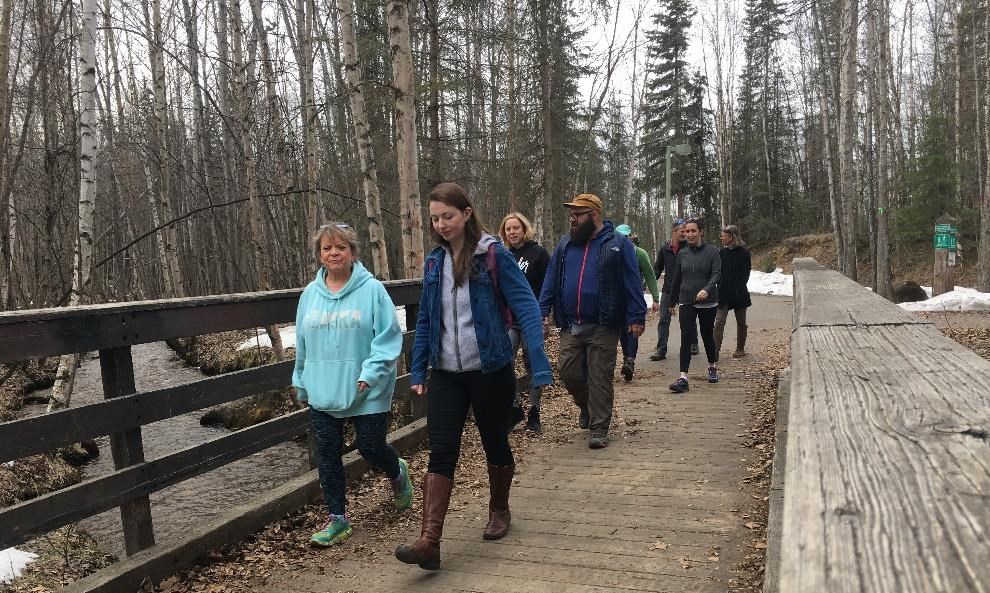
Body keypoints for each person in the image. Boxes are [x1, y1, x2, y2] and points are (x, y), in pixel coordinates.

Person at [395, 183, 552, 571]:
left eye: (447, 216)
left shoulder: (493, 256)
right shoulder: (434, 262)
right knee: (442, 450)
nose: (440, 224)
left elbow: (527, 308)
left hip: (490, 370)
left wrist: (538, 361)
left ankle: (500, 509)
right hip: (446, 373)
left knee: (494, 442)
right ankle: (430, 541)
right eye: (434, 218)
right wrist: (418, 368)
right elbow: (427, 319)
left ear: (466, 214)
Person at [292, 222, 411, 547]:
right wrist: (300, 381)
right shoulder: (309, 296)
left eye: (340, 247)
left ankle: (397, 472)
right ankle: (338, 519)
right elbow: (302, 343)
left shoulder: (372, 291)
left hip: (365, 388)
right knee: (328, 455)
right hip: (323, 389)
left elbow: (388, 338)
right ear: (320, 254)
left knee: (370, 447)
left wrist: (371, 373)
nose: (334, 253)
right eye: (327, 248)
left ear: (352, 252)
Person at [539, 193, 647, 449]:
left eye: (577, 215)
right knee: (568, 371)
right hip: (571, 322)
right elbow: (552, 277)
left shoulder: (619, 244)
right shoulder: (566, 244)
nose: (572, 219)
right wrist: (543, 307)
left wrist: (636, 316)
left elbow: (632, 281)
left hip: (604, 322)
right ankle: (587, 406)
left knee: (599, 375)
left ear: (594, 215)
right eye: (571, 215)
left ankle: (599, 427)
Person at [498, 211, 551, 432]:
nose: (512, 232)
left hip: (532, 317)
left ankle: (534, 411)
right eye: (508, 229)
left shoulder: (538, 253)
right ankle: (513, 408)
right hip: (509, 320)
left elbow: (548, 284)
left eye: (515, 228)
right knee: (504, 364)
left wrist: (545, 313)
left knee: (533, 364)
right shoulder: (501, 254)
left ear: (524, 229)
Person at [668, 218, 721, 393]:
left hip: (708, 301)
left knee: (707, 335)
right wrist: (671, 301)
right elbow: (676, 279)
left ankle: (712, 366)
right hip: (686, 300)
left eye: (693, 231)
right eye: (686, 231)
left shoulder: (713, 252)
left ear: (701, 232)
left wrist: (707, 289)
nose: (689, 234)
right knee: (686, 336)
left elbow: (716, 274)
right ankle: (683, 377)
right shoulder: (682, 254)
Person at [614, 224, 660, 381]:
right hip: (617, 298)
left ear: (630, 237)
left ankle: (630, 360)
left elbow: (650, 276)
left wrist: (656, 299)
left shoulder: (640, 254)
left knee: (633, 328)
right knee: (622, 330)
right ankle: (627, 357)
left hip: (635, 297)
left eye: (626, 236)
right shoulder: (612, 252)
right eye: (621, 236)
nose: (624, 239)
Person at [650, 219, 697, 360]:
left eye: (686, 231)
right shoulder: (665, 249)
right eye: (682, 231)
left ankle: (693, 343)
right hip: (668, 289)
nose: (685, 234)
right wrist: (649, 282)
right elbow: (658, 268)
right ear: (674, 231)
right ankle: (661, 349)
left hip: (686, 289)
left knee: (688, 319)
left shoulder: (689, 248)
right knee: (664, 319)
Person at [715, 225, 752, 357]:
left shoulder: (744, 253)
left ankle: (740, 349)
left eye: (723, 235)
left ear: (731, 237)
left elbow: (746, 274)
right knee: (719, 322)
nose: (721, 238)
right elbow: (718, 273)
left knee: (741, 322)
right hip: (723, 294)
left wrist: (739, 288)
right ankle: (715, 351)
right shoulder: (721, 253)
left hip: (739, 294)